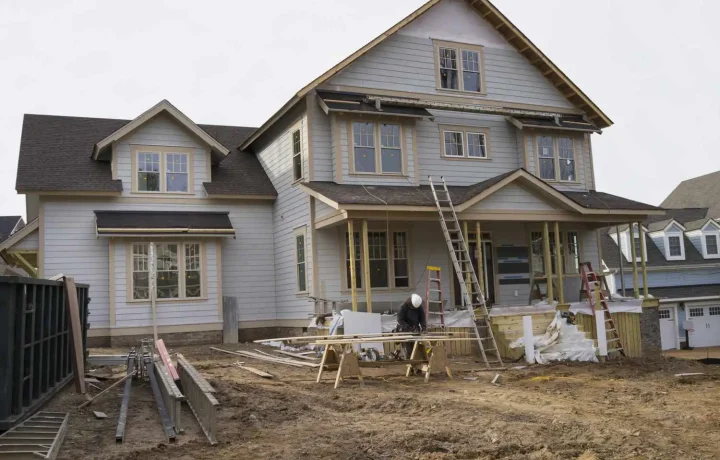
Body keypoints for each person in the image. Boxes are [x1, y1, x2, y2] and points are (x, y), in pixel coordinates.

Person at [396, 294, 426, 359]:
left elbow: (422, 318)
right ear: (410, 303)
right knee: (408, 351)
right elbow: (400, 320)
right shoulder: (403, 307)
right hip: (405, 330)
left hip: (415, 329)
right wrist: (408, 327)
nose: (414, 309)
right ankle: (410, 366)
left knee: (417, 349)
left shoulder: (419, 307)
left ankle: (418, 366)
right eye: (413, 307)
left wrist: (424, 327)